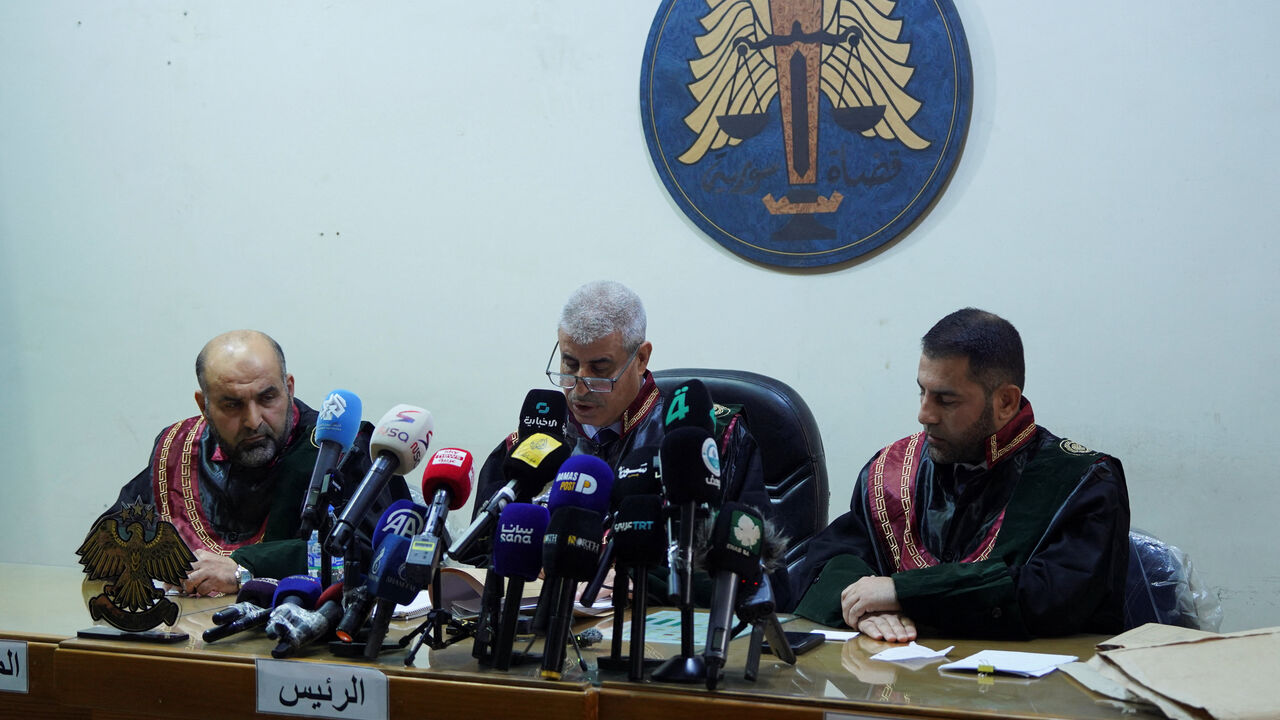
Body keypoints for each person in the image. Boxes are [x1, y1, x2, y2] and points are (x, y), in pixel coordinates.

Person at [791, 309, 1129, 641]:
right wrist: (866, 607)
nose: (924, 414)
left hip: (1031, 687)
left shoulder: (1083, 480)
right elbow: (825, 560)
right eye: (921, 391)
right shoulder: (892, 470)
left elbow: (1053, 594)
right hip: (897, 682)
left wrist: (901, 591)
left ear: (1006, 402)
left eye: (945, 400)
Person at [470, 281, 782, 605]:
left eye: (599, 370)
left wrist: (640, 582)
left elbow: (763, 577)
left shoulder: (709, 444)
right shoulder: (530, 451)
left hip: (654, 640)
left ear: (641, 358)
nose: (579, 389)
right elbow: (476, 558)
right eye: (570, 365)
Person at [102, 330, 408, 596]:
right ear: (203, 405)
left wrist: (242, 569)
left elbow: (374, 552)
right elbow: (107, 545)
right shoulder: (179, 447)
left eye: (267, 398)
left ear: (289, 388)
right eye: (232, 404)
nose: (253, 420)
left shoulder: (342, 450)